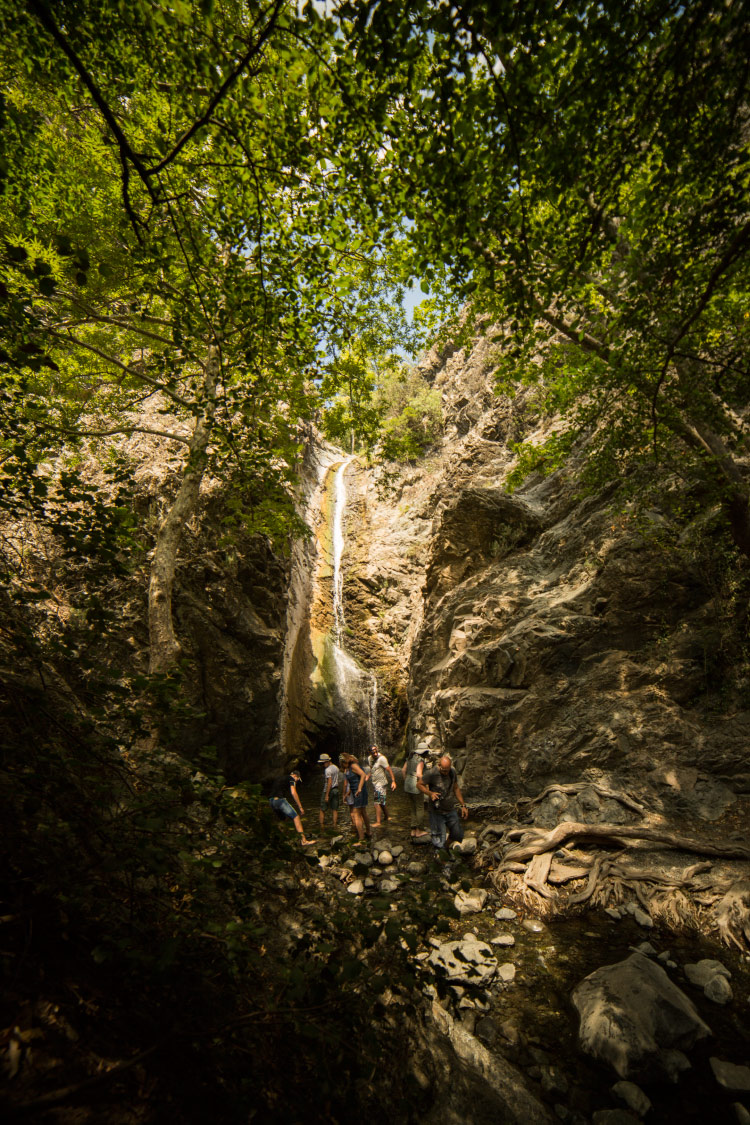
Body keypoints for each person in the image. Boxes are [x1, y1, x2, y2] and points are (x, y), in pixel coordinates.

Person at [418, 754, 469, 850]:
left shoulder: (452, 772)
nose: (445, 773)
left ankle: (444, 849)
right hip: (436, 811)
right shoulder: (432, 773)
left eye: (447, 770)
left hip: (450, 809)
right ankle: (440, 858)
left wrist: (463, 806)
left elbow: (456, 788)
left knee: (457, 833)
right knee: (438, 838)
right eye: (443, 770)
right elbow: (419, 784)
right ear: (439, 765)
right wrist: (430, 793)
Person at [268, 770, 316, 845]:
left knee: (282, 820)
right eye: (297, 780)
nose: (296, 782)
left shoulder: (280, 778)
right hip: (280, 800)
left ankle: (278, 842)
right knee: (296, 817)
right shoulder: (291, 779)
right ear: (296, 776)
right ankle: (303, 841)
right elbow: (293, 792)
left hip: (271, 801)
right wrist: (300, 806)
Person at [340, 752, 371, 842]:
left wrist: (359, 788)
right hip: (357, 792)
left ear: (344, 761)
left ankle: (361, 838)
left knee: (356, 814)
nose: (341, 765)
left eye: (342, 763)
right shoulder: (350, 768)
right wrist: (347, 793)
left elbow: (363, 775)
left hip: (359, 792)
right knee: (363, 812)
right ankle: (368, 832)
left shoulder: (353, 766)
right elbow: (354, 781)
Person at [402, 742, 430, 840]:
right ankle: (419, 830)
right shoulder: (420, 760)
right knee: (419, 807)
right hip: (416, 785)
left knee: (413, 807)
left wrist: (406, 780)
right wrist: (425, 784)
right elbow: (419, 774)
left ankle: (413, 830)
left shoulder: (410, 758)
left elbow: (403, 770)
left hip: (408, 784)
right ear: (424, 752)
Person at [368, 743, 396, 828]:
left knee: (377, 802)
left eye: (376, 751)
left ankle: (378, 822)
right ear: (369, 752)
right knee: (382, 802)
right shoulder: (369, 759)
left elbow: (389, 770)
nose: (375, 753)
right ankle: (387, 817)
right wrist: (367, 776)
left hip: (381, 784)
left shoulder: (382, 759)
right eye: (373, 752)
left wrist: (393, 781)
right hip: (375, 783)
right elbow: (371, 769)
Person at [318, 752, 341, 832]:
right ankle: (334, 825)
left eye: (323, 763)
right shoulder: (336, 767)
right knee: (335, 809)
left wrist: (327, 795)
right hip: (336, 789)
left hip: (328, 790)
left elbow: (329, 782)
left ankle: (321, 826)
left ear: (327, 761)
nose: (322, 765)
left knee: (322, 809)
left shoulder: (327, 770)